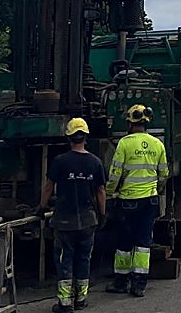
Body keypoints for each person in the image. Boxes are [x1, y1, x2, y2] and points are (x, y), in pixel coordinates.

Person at [38, 117, 107, 313]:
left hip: (64, 221)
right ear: (85, 137)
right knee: (84, 259)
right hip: (87, 221)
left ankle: (65, 304)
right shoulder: (95, 162)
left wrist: (42, 207)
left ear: (68, 138)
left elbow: (49, 187)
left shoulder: (60, 161)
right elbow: (100, 191)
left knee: (64, 260)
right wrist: (102, 215)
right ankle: (81, 300)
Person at [106, 104, 168, 298]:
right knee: (143, 242)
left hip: (127, 200)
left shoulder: (124, 143)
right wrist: (156, 190)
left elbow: (115, 173)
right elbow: (163, 173)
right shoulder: (157, 144)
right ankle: (139, 285)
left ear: (129, 123)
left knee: (124, 242)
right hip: (149, 200)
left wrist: (110, 192)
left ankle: (120, 283)